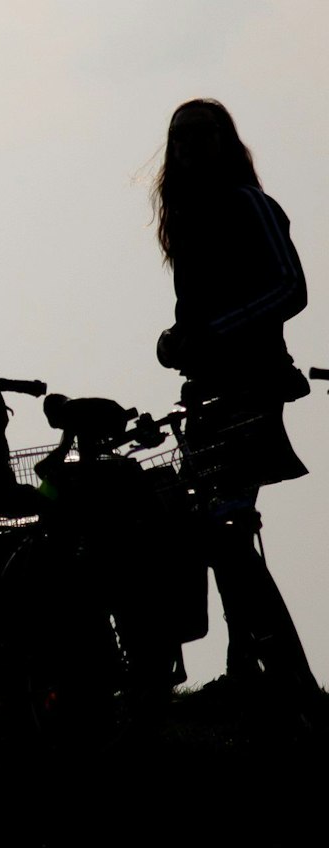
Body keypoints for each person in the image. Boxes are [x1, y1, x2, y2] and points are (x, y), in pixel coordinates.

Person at [150, 98, 317, 700]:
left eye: (200, 136)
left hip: (249, 389)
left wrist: (213, 332)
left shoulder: (249, 206)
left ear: (225, 143)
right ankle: (252, 674)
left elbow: (291, 289)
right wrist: (175, 340)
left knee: (225, 530)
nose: (190, 148)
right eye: (181, 139)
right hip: (208, 394)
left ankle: (285, 682)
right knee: (218, 532)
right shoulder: (191, 221)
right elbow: (194, 319)